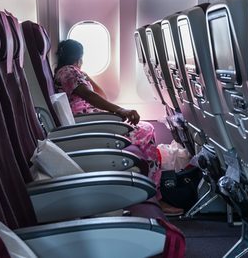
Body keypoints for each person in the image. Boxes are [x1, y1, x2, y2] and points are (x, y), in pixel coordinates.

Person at [53, 39, 184, 216]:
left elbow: (101, 94)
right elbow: (89, 95)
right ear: (79, 57)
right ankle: (154, 195)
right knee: (145, 130)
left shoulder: (71, 73)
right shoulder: (68, 72)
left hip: (93, 121)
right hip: (89, 125)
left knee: (145, 128)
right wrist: (120, 110)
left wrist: (85, 75)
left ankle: (145, 187)